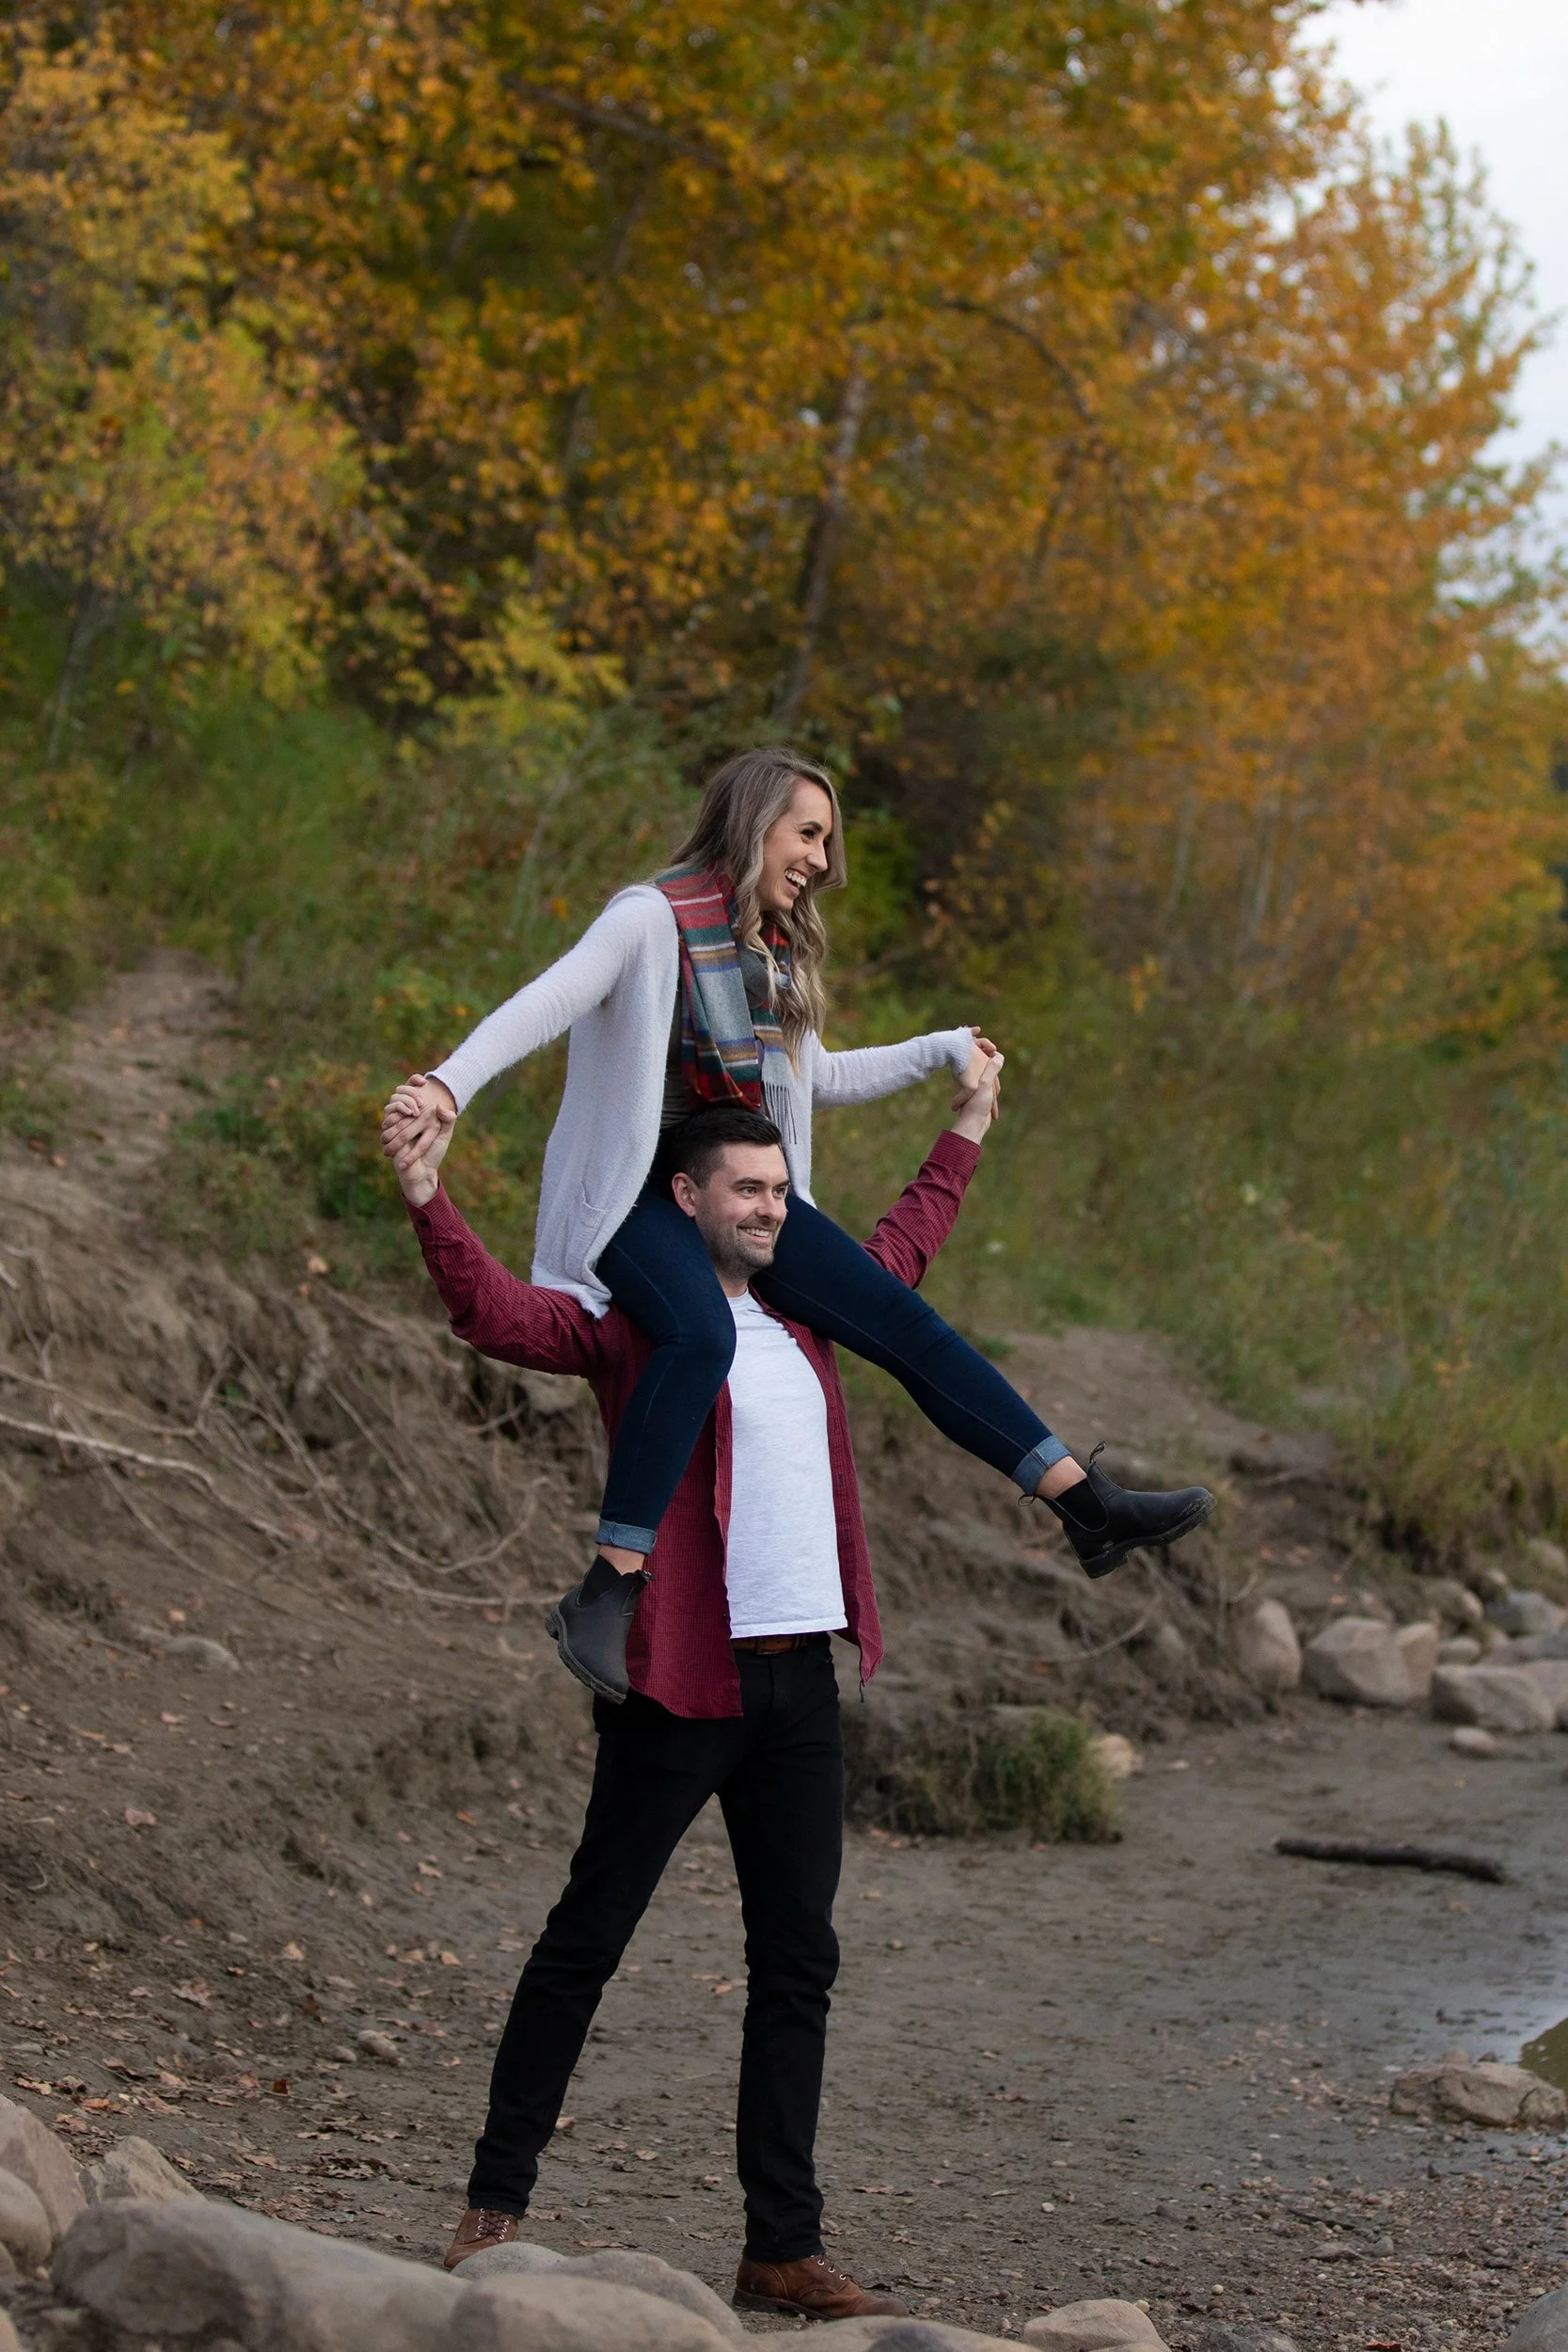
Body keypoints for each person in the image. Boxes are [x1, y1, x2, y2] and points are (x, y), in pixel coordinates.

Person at [382, 744, 1213, 1706]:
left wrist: (941, 1049)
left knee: (901, 1321)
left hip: (742, 1183)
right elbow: (550, 1001)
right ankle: (607, 1588)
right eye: (808, 832)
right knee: (695, 1335)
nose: (820, 858)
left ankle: (1083, 1501)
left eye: (826, 840)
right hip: (639, 1195)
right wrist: (449, 1082)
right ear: (753, 822)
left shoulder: (769, 955)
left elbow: (813, 1078)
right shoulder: (649, 920)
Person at [389, 1051, 1009, 2315]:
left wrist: (962, 1133)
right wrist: (427, 1200)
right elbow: (504, 1318)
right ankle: (492, 2206)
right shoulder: (653, 1329)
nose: (771, 1208)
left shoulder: (807, 1318)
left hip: (799, 1691)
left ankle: (781, 2243)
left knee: (798, 1960)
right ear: (683, 1198)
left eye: (780, 1190)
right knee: (585, 1941)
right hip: (680, 1680)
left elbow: (901, 1249)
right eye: (745, 1190)